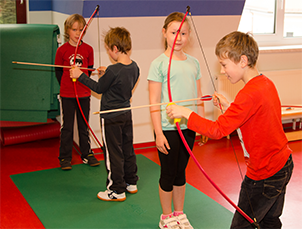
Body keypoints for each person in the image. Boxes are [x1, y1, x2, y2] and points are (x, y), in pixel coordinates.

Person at [166, 31, 294, 229]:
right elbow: (256, 117)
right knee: (269, 221)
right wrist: (230, 107)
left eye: (225, 65)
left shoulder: (249, 94)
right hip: (283, 165)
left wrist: (186, 114)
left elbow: (217, 130)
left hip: (264, 174)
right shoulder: (266, 84)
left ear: (243, 60)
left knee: (241, 226)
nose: (223, 71)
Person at [148, 12, 206, 229]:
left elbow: (198, 98)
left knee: (181, 171)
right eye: (174, 32)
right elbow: (154, 102)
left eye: (183, 33)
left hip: (189, 126)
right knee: (168, 172)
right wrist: (159, 133)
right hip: (167, 128)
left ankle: (179, 214)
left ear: (189, 35)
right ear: (165, 33)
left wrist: (201, 126)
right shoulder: (159, 64)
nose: (178, 37)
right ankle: (166, 217)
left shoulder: (194, 63)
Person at [70, 27, 140, 202]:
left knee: (113, 152)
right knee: (127, 148)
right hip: (125, 114)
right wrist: (105, 74)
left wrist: (80, 76)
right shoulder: (134, 66)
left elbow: (99, 89)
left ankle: (116, 190)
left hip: (110, 116)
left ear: (115, 48)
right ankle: (131, 182)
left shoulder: (113, 70)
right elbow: (120, 84)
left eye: (109, 49)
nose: (109, 52)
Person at [55, 14, 100, 170]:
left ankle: (86, 154)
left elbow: (87, 72)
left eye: (81, 30)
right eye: (74, 30)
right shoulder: (62, 50)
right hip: (67, 94)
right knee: (67, 126)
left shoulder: (88, 49)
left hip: (84, 94)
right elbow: (58, 73)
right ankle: (65, 157)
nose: (77, 33)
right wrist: (67, 86)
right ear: (68, 30)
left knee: (83, 125)